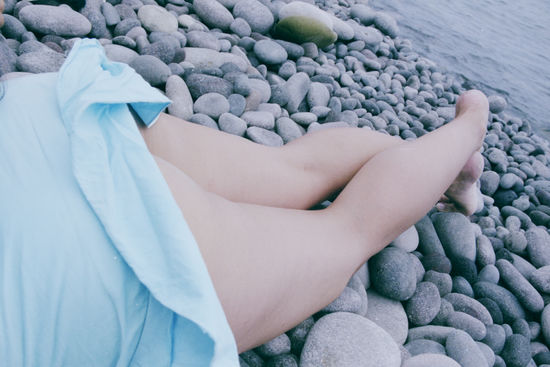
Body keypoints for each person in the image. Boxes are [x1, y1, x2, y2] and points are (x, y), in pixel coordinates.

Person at [0, 9, 489, 367]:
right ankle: (457, 151)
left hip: (85, 266)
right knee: (295, 168)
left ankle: (470, 129)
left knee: (348, 230)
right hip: (40, 119)